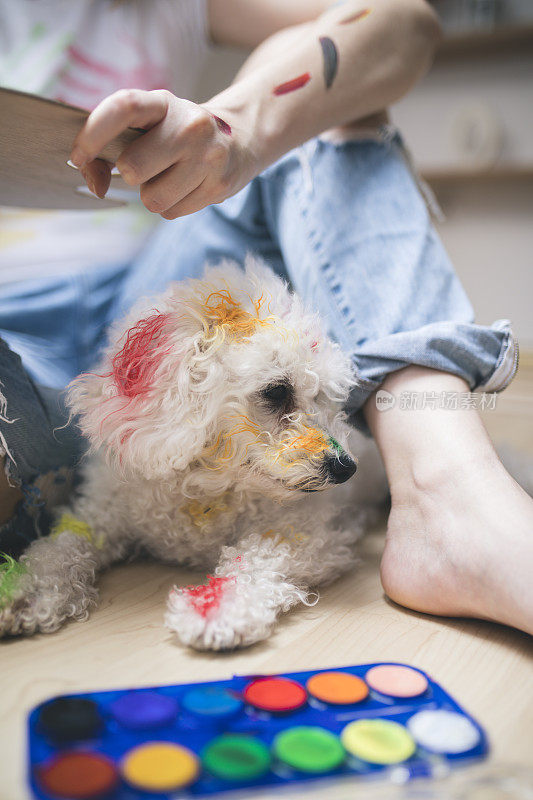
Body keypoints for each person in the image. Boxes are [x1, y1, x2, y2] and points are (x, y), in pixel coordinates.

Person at [1, 0, 532, 636]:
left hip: (163, 279)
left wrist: (237, 130)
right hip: (15, 337)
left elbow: (403, 19)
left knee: (323, 102)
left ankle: (450, 491)